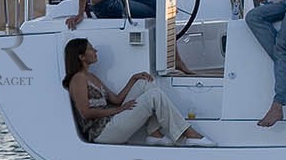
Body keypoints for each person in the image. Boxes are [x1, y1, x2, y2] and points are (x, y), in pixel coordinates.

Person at [61, 38, 213, 146]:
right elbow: (86, 113)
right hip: (101, 132)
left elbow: (116, 99)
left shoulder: (91, 77)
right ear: (81, 57)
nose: (95, 51)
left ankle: (154, 133)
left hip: (111, 122)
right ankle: (187, 134)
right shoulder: (78, 79)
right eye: (90, 49)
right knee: (154, 96)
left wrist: (133, 79)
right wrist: (118, 110)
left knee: (144, 83)